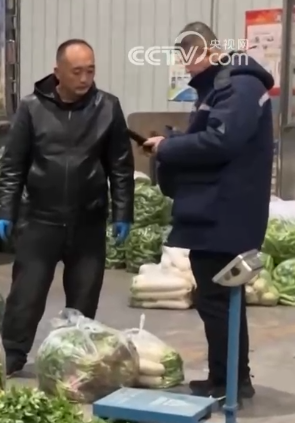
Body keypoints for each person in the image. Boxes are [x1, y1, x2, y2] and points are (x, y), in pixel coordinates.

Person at [143, 22, 272, 400]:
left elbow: (221, 141)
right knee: (220, 300)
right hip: (216, 210)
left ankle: (229, 382)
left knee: (217, 301)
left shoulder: (240, 86)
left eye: (192, 57)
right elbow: (214, 135)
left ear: (213, 51)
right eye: (183, 58)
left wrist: (168, 148)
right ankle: (229, 377)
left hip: (225, 213)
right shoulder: (222, 87)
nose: (187, 66)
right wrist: (174, 141)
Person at [0, 39, 135, 375]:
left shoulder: (107, 107)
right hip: (41, 220)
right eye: (77, 72)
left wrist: (123, 213)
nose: (85, 79)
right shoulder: (31, 108)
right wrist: (5, 210)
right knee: (26, 296)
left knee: (83, 301)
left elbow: (120, 165)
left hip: (88, 221)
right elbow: (13, 165)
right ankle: (12, 356)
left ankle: (74, 362)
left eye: (90, 71)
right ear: (58, 72)